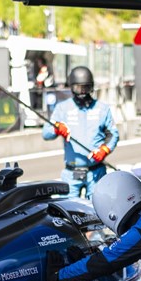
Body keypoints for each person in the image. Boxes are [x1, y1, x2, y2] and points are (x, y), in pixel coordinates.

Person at [42, 66, 119, 198]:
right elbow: (46, 133)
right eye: (78, 88)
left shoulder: (102, 109)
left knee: (98, 206)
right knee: (67, 207)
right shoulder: (62, 108)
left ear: (92, 87)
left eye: (86, 88)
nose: (82, 92)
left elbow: (113, 134)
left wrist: (104, 150)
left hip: (96, 173)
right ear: (71, 88)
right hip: (71, 173)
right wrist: (56, 128)